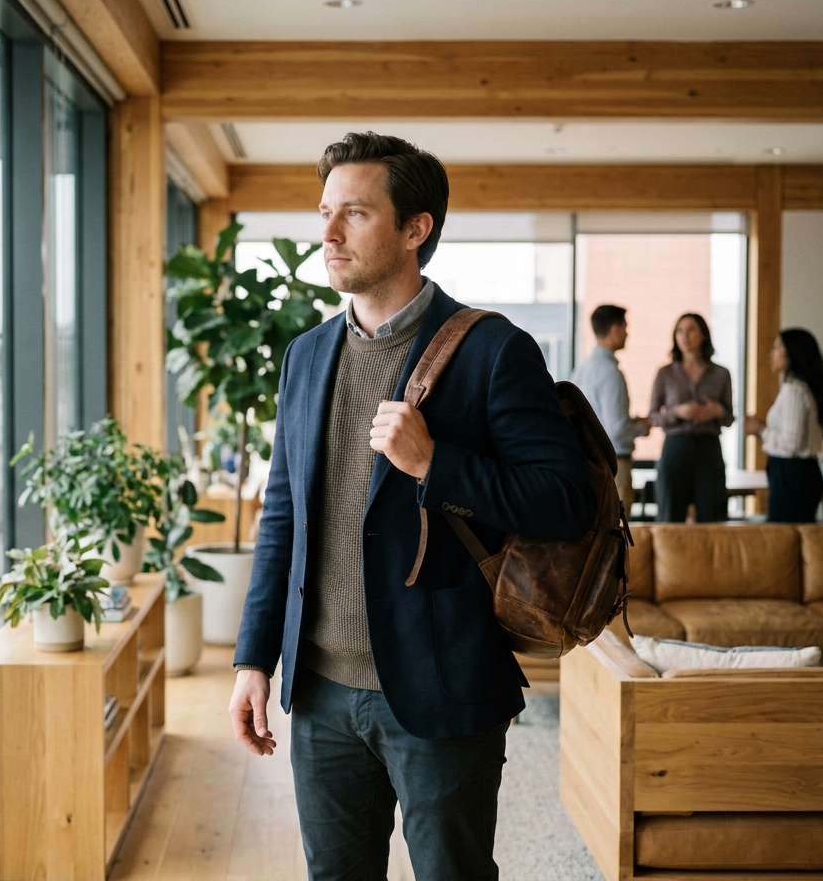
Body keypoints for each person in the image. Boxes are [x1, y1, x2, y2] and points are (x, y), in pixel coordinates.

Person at [227, 132, 595, 881]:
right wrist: (252, 657)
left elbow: (566, 501)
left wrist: (436, 464)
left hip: (443, 688)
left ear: (414, 229)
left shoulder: (494, 350)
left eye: (354, 214)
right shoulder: (305, 355)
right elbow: (283, 517)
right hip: (322, 695)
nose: (327, 234)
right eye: (325, 212)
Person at [648, 313, 734, 522]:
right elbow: (653, 416)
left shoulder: (721, 374)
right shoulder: (665, 373)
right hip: (675, 447)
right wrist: (676, 412)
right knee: (670, 514)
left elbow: (730, 418)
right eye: (679, 331)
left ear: (703, 334)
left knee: (711, 514)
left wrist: (718, 412)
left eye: (691, 330)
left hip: (709, 447)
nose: (684, 336)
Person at [571, 304, 652, 515]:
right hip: (614, 464)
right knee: (616, 529)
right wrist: (642, 427)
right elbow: (616, 428)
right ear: (614, 330)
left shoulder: (582, 369)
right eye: (625, 327)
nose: (627, 333)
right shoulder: (611, 373)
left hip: (588, 461)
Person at [744, 329, 823, 522]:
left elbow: (792, 443)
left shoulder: (794, 391)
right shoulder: (802, 388)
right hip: (799, 473)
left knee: (783, 540)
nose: (771, 354)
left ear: (791, 354)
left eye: (777, 347)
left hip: (791, 475)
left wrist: (759, 430)